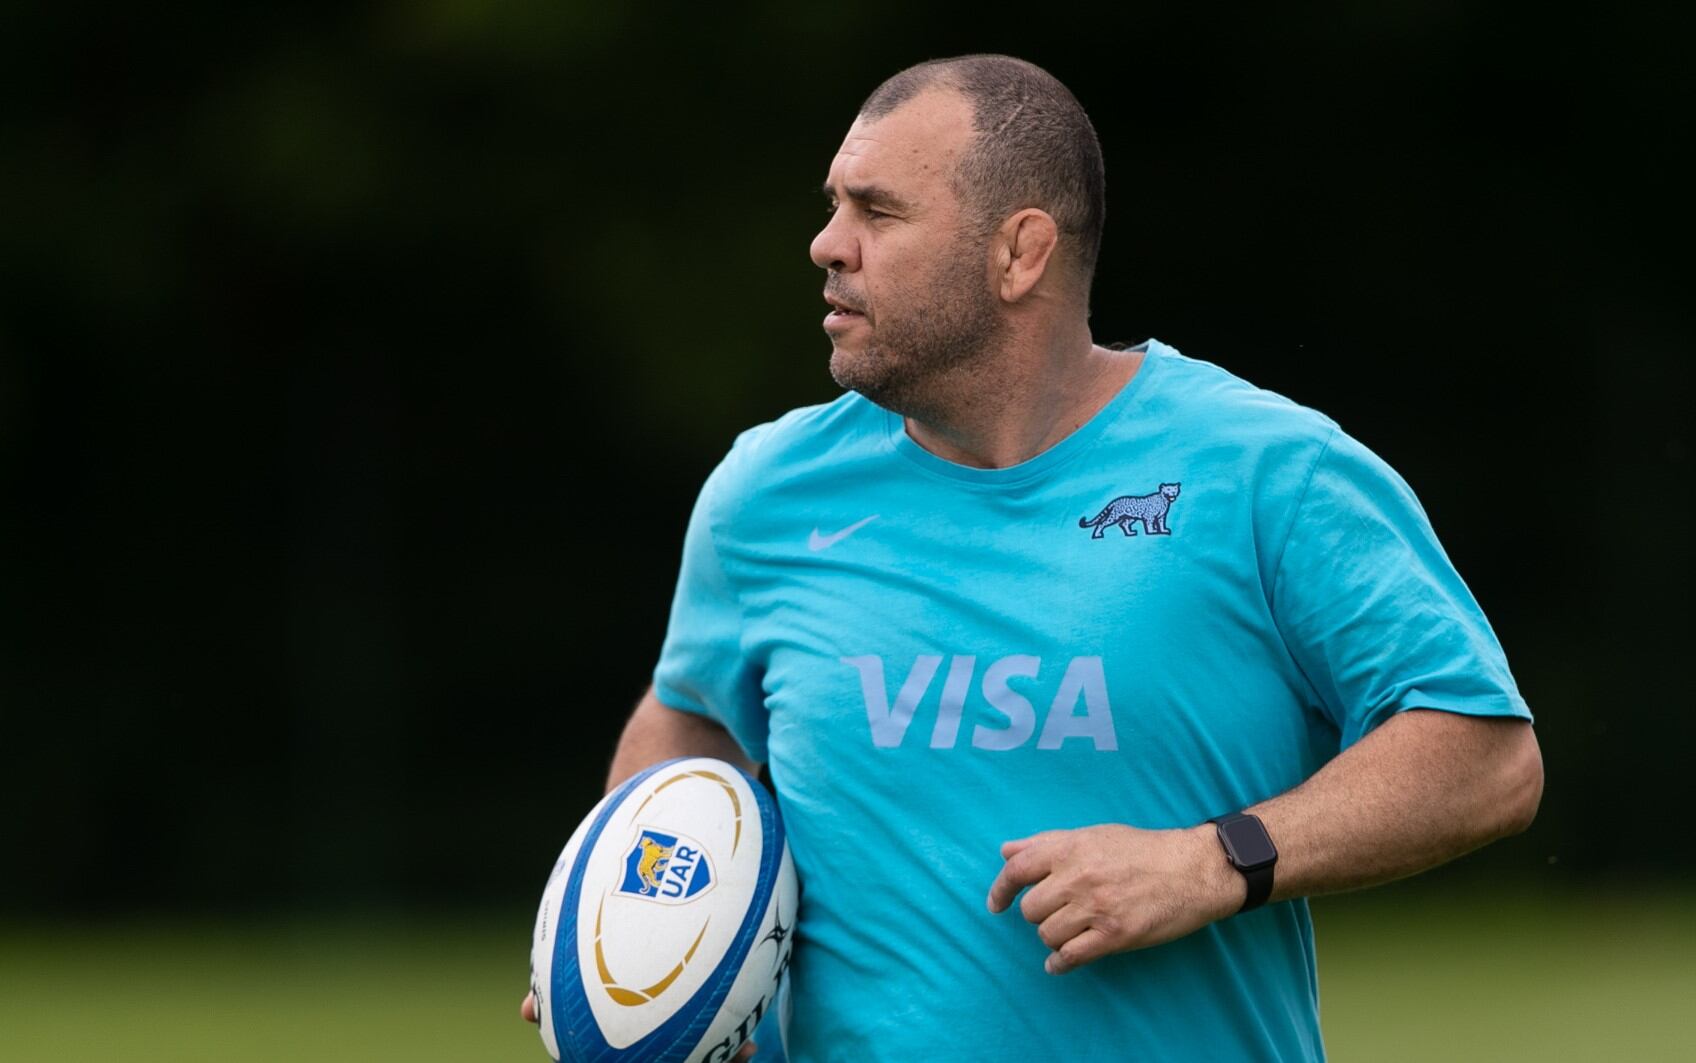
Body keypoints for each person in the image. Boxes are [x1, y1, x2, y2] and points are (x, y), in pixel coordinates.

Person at [526, 54, 1542, 1061]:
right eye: (834, 206)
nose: (827, 244)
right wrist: (638, 930)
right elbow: (688, 714)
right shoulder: (768, 493)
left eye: (877, 213)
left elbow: (1485, 756)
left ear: (1019, 253)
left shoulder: (1266, 472)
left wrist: (1213, 860)